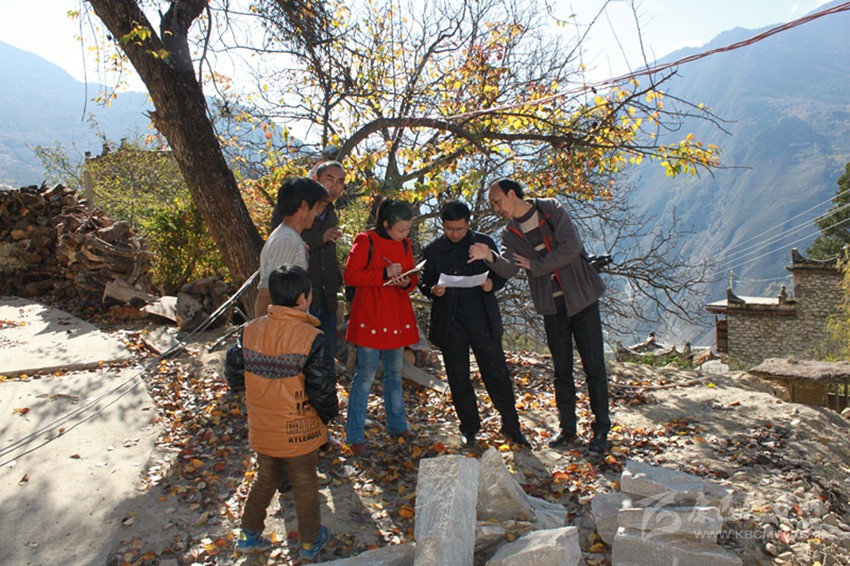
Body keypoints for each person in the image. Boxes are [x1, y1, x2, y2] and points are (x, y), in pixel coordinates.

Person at [468, 179, 611, 453]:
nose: (496, 208)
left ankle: (601, 428)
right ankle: (567, 428)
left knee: (594, 368)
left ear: (512, 194)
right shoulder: (510, 234)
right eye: (493, 204)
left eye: (497, 201)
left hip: (582, 299)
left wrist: (536, 266)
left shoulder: (550, 209)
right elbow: (509, 269)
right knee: (562, 370)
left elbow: (571, 247)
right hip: (552, 307)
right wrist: (489, 256)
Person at [236, 264, 338, 560]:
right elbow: (322, 389)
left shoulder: (249, 330)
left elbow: (233, 373)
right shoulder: (311, 337)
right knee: (305, 480)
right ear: (304, 298)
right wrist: (327, 417)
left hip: (262, 424)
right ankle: (310, 542)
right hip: (299, 426)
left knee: (266, 477)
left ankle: (248, 535)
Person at [418, 200, 530, 448]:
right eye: (449, 229)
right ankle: (469, 427)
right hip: (450, 321)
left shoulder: (483, 242)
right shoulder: (433, 249)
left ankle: (511, 426)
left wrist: (492, 285)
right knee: (458, 377)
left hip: (482, 317)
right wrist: (433, 290)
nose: (454, 233)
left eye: (459, 228)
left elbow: (501, 272)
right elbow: (424, 281)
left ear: (468, 224)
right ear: (443, 225)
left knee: (496, 373)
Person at [343, 198, 419, 455]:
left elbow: (411, 276)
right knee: (365, 375)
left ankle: (398, 425)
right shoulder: (366, 240)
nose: (404, 234)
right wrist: (383, 273)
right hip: (371, 315)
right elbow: (350, 276)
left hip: (395, 315)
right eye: (400, 230)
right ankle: (354, 434)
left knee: (394, 373)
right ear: (386, 224)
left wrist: (405, 282)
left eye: (407, 229)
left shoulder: (405, 244)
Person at [271, 162, 346, 360]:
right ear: (315, 180)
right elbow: (286, 242)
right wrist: (320, 239)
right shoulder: (293, 208)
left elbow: (329, 254)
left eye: (340, 182)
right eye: (329, 179)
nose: (334, 187)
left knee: (326, 357)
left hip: (327, 296)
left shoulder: (331, 213)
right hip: (299, 299)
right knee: (302, 358)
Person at [254, 177, 329, 318]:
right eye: (316, 208)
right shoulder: (287, 241)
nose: (317, 214)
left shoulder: (288, 236)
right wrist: (264, 330)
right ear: (304, 206)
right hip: (283, 328)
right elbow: (266, 294)